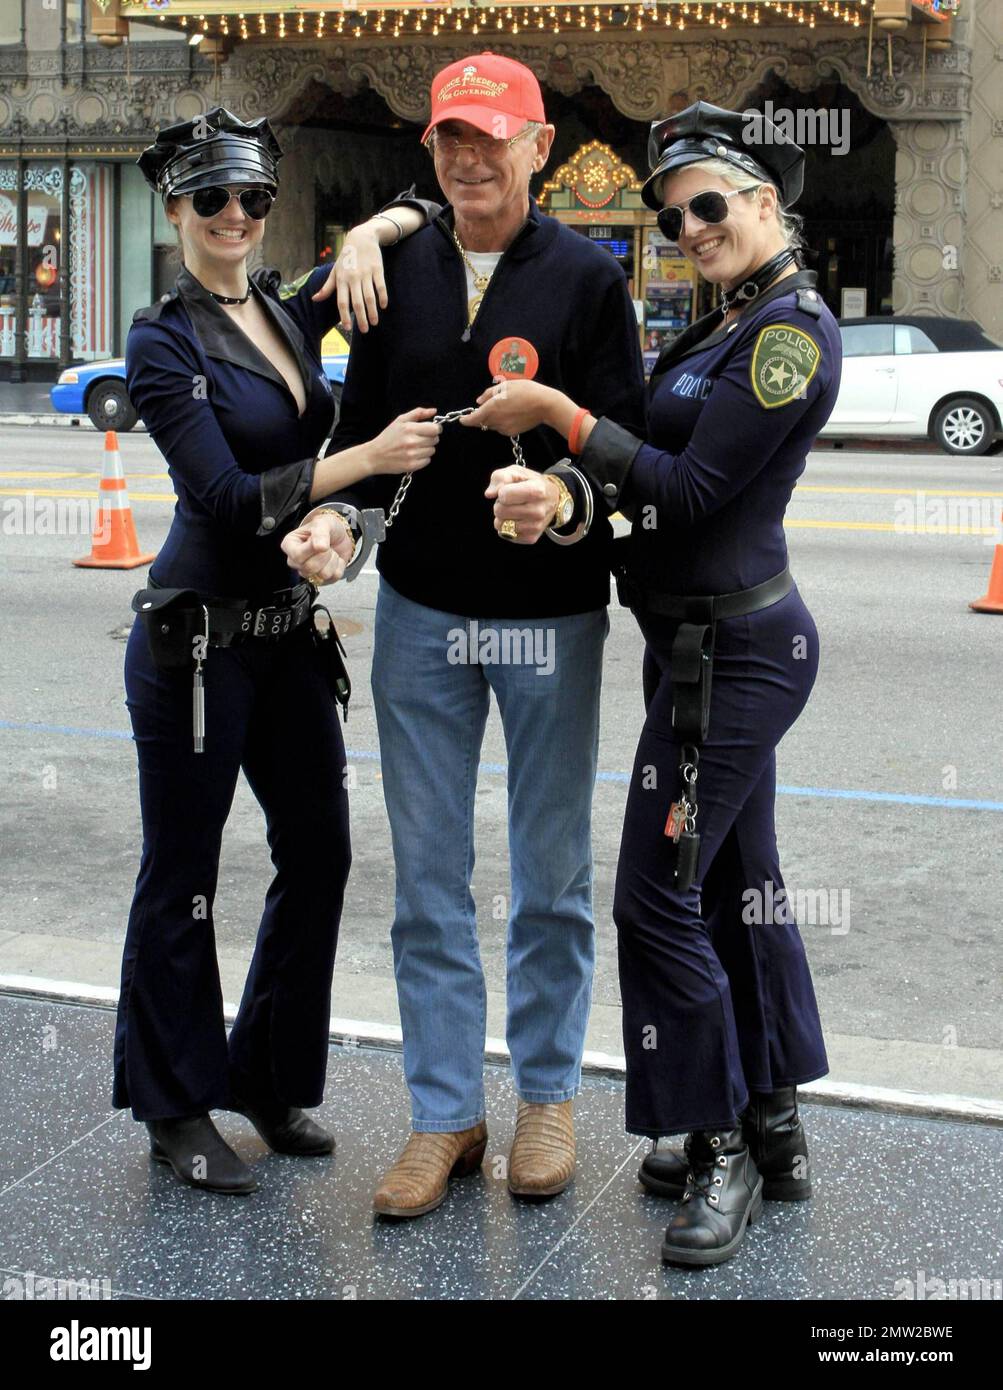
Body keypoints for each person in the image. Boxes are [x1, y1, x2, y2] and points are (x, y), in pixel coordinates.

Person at [455, 101, 840, 1266]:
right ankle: (770, 1119)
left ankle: (714, 1137)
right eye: (673, 218)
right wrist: (572, 497)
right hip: (696, 649)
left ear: (765, 204)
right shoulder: (727, 321)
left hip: (732, 659)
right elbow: (637, 491)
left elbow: (687, 486)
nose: (691, 228)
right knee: (734, 883)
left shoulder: (786, 335)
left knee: (652, 898)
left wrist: (560, 419)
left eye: (711, 206)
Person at [283, 53, 646, 1219]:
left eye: (491, 136)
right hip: (422, 618)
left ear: (538, 146)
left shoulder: (589, 280)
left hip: (550, 622)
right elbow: (363, 437)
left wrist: (566, 507)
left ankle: (546, 1094)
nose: (469, 155)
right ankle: (444, 1110)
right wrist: (341, 523)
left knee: (550, 878)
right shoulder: (392, 269)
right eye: (449, 137)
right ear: (429, 150)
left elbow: (621, 455)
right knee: (428, 881)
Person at [115, 106, 441, 1194]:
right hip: (197, 645)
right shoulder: (161, 339)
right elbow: (216, 493)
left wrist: (364, 233)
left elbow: (428, 207)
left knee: (320, 853)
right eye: (212, 198)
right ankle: (172, 1106)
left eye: (253, 197)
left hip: (288, 639)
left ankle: (265, 1072)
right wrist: (362, 467)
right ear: (176, 210)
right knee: (184, 875)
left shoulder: (285, 313)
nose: (236, 216)